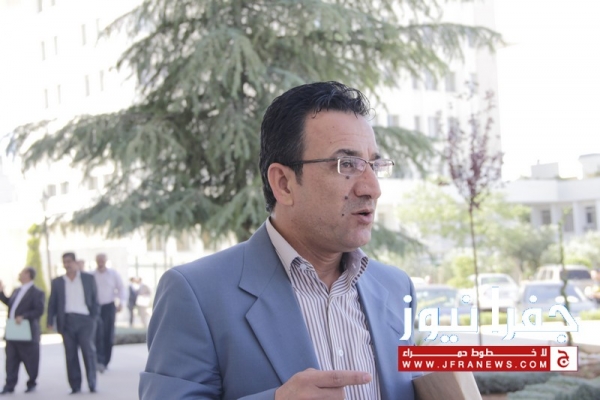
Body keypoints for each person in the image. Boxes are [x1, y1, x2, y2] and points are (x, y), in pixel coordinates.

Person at [139, 81, 418, 399]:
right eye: (347, 165)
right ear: (283, 183)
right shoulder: (196, 293)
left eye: (375, 166)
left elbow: (414, 382)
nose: (372, 189)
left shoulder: (397, 287)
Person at [47, 252, 99, 394]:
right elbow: (52, 303)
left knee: (88, 352)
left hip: (85, 320)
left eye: (69, 261)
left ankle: (92, 383)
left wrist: (93, 318)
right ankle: (75, 385)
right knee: (70, 355)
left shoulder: (88, 278)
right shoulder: (58, 282)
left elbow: (95, 299)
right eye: (64, 262)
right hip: (67, 321)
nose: (67, 265)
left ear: (75, 262)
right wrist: (50, 320)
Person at [0, 267, 45, 394]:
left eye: (22, 273)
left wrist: (24, 316)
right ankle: (9, 385)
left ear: (28, 275)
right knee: (11, 360)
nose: (19, 275)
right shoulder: (17, 290)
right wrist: (1, 293)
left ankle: (31, 383)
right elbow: (10, 303)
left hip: (27, 332)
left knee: (30, 359)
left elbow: (39, 310)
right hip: (13, 331)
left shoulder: (37, 292)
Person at [92, 253, 126, 373]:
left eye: (102, 260)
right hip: (96, 307)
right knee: (97, 334)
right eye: (98, 260)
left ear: (106, 261)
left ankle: (106, 361)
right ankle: (99, 360)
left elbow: (121, 288)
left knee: (108, 334)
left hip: (109, 306)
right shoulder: (92, 275)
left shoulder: (113, 274)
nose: (100, 262)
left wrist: (121, 302)